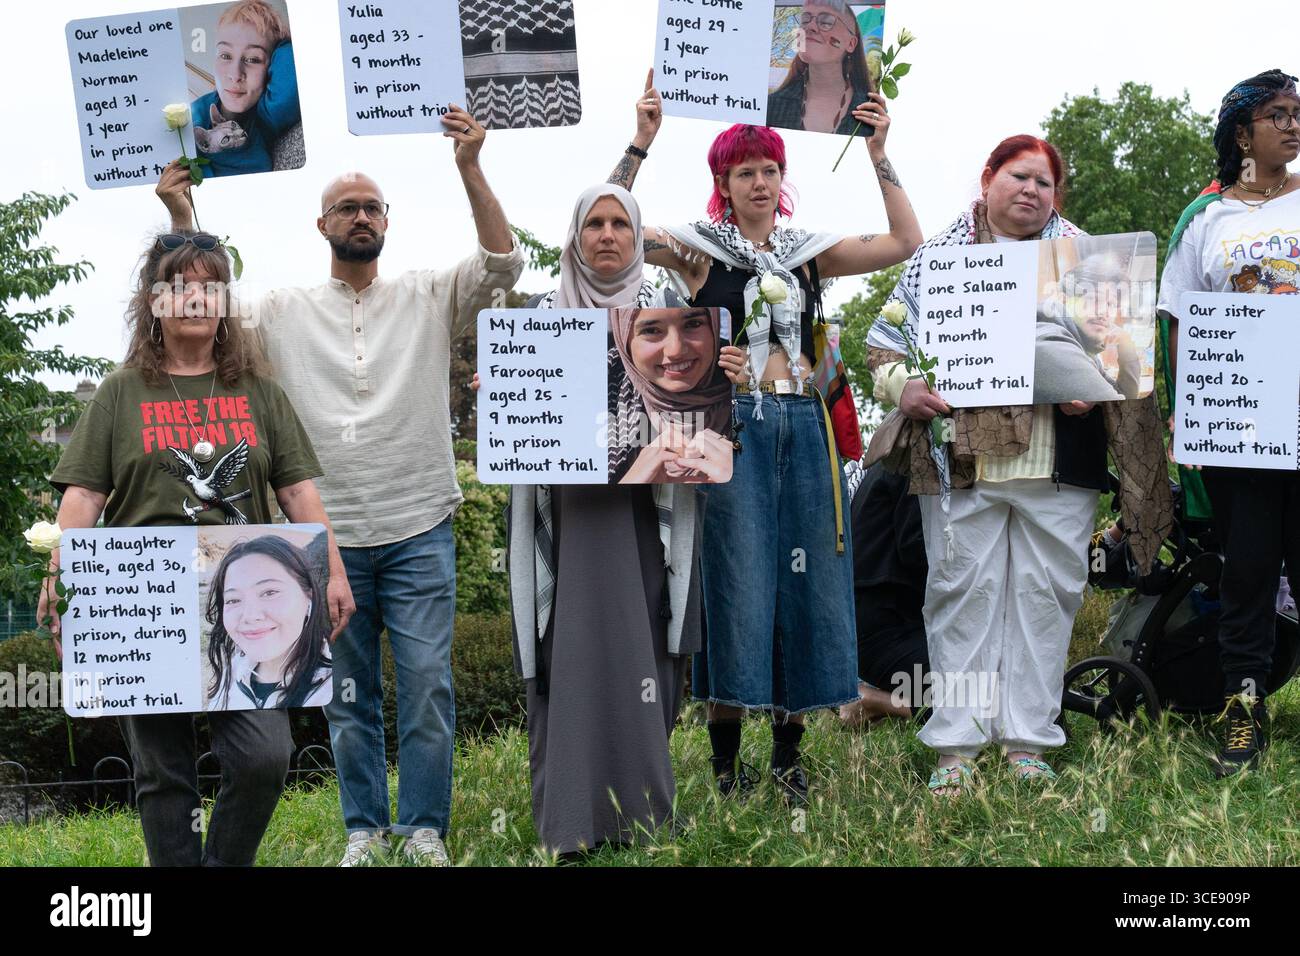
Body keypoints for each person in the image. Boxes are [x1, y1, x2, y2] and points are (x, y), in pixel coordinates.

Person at [157, 104, 523, 866]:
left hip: (421, 521)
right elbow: (210, 301)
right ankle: (363, 829)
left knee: (427, 688)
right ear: (322, 225)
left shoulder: (427, 295)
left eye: (372, 206)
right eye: (347, 208)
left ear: (386, 221)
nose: (361, 216)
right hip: (325, 542)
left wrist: (470, 166)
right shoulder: (285, 309)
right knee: (347, 697)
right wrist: (186, 213)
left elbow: (501, 265)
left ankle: (423, 828)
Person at [616, 93, 922, 804]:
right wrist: (641, 143)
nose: (759, 181)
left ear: (783, 179)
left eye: (769, 168)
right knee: (736, 581)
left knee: (805, 583)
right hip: (737, 427)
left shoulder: (809, 254)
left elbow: (906, 241)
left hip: (806, 424)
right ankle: (727, 763)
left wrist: (879, 155)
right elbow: (608, 227)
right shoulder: (698, 251)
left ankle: (789, 755)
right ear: (722, 182)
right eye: (744, 170)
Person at [866, 134, 1171, 795]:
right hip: (963, 458)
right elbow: (883, 348)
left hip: (1061, 459)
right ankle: (956, 749)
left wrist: (1098, 378)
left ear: (1056, 196)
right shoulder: (936, 261)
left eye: (1044, 182)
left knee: (1046, 597)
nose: (1031, 190)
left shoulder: (1094, 262)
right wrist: (905, 389)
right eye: (1019, 176)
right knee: (959, 597)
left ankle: (1029, 743)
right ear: (988, 178)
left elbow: (1125, 362)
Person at [40, 231, 353, 866]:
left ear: (225, 301)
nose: (195, 297)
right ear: (153, 302)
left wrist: (332, 573)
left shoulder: (260, 392)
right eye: (179, 285)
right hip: (137, 598)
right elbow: (81, 501)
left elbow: (297, 492)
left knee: (265, 757)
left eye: (210, 284)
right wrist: (59, 581)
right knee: (164, 773)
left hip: (241, 595)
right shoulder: (121, 391)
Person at [502, 183, 708, 857]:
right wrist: (505, 391)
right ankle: (573, 822)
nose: (609, 234)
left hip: (645, 514)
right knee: (570, 650)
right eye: (595, 223)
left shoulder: (670, 316)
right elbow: (520, 418)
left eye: (622, 222)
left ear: (637, 235)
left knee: (639, 646)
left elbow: (693, 422)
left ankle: (644, 817)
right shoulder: (541, 315)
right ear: (575, 238)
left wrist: (718, 374)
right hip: (567, 515)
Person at [1159, 68, 1300, 776]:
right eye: (1278, 114)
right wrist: (1195, 422)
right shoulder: (1205, 219)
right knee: (1245, 574)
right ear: (1242, 133)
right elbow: (1181, 326)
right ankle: (1242, 712)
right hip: (1240, 426)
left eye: (1298, 114)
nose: (1294, 125)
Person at [838, 459, 929, 728]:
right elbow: (920, 553)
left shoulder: (886, 457)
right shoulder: (915, 463)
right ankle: (873, 700)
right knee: (982, 690)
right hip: (885, 630)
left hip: (869, 628)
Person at [205, 534, 334, 711]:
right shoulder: (232, 670)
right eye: (233, 600)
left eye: (270, 592)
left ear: (309, 598)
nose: (250, 616)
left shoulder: (336, 684)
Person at [610, 306, 734, 485]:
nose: (676, 350)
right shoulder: (599, 396)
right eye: (651, 330)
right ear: (624, 338)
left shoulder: (755, 396)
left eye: (693, 324)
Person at [191, 0, 301, 176]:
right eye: (225, 55)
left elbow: (293, 67)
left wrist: (281, 42)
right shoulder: (193, 115)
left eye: (253, 59)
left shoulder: (267, 116)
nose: (235, 75)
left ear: (272, 66)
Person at [766, 2, 875, 135]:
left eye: (826, 21)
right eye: (805, 20)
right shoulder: (771, 106)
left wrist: (878, 151)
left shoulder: (871, 114)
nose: (810, 27)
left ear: (851, 43)